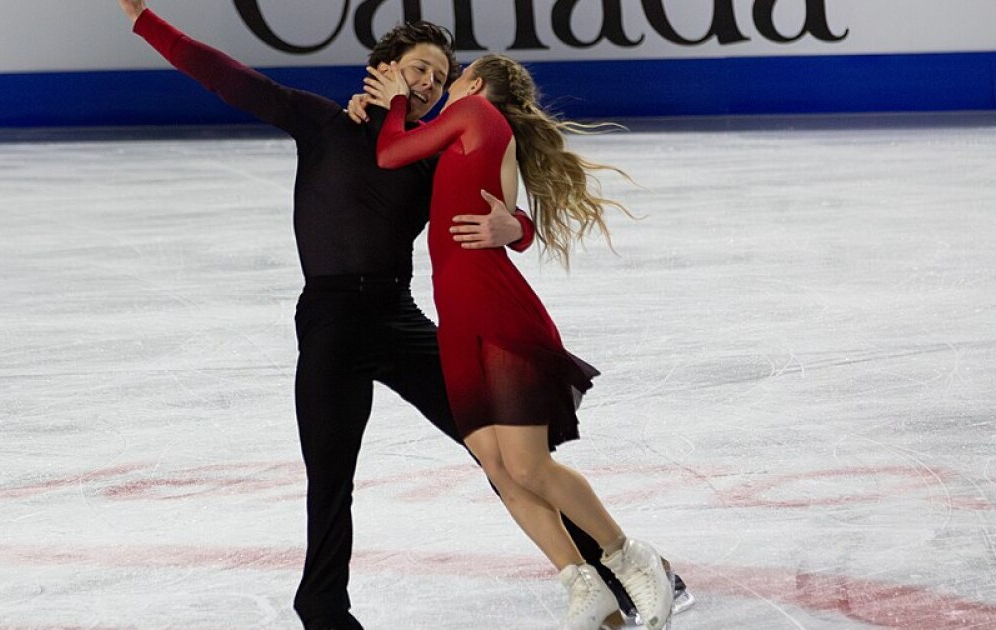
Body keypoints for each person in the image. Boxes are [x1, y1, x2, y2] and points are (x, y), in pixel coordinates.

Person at [115, 3, 690, 628]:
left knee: (503, 456)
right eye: (417, 69)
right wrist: (144, 16)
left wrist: (517, 227)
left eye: (438, 78)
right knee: (330, 476)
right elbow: (226, 76)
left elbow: (502, 193)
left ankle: (614, 572)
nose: (426, 84)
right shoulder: (323, 123)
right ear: (382, 69)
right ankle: (323, 609)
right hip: (331, 320)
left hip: (400, 317)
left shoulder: (431, 153)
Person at [365, 55, 677, 630]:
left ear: (477, 85)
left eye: (455, 76)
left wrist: (397, 104)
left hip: (500, 314)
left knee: (529, 466)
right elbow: (491, 204)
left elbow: (389, 154)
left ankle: (631, 557)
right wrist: (519, 226)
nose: (449, 86)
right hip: (457, 321)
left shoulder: (477, 113)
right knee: (498, 466)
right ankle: (581, 583)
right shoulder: (474, 133)